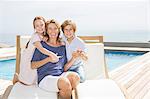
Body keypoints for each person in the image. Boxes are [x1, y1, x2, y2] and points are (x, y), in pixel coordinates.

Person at [31, 19, 80, 99]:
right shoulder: (41, 45)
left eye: (55, 28)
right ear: (46, 31)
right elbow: (33, 65)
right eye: (50, 28)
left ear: (58, 30)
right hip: (45, 78)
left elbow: (64, 68)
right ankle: (64, 91)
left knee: (75, 77)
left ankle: (63, 94)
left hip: (60, 75)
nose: (53, 31)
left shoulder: (62, 47)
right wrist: (48, 59)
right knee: (64, 83)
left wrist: (74, 58)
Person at [13, 16, 59, 85]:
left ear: (45, 25)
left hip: (34, 58)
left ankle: (19, 78)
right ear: (34, 28)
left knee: (32, 79)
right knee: (27, 81)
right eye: (37, 26)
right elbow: (41, 49)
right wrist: (52, 54)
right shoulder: (35, 36)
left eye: (41, 25)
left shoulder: (43, 35)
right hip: (28, 58)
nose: (40, 27)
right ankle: (17, 78)